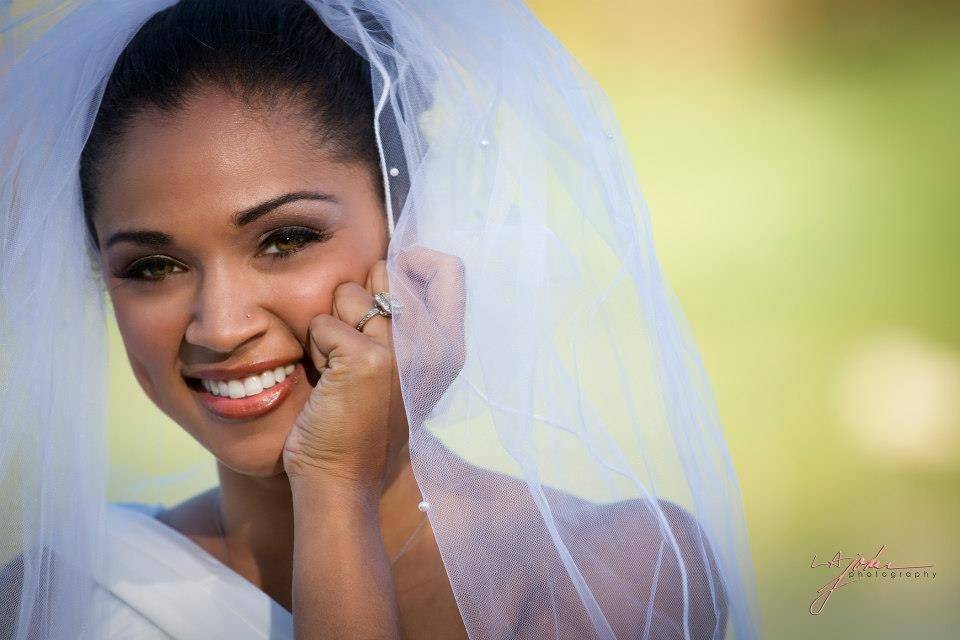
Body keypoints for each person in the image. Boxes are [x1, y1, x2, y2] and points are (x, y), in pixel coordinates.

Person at [0, 1, 762, 639]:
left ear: (406, 225)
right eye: (152, 267)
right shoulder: (54, 603)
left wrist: (334, 482)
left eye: (285, 240)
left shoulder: (614, 573)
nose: (220, 326)